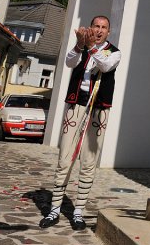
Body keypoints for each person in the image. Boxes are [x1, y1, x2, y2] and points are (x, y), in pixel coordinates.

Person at [39, 16, 121, 231]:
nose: (99, 30)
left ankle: (78, 212)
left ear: (109, 31)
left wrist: (91, 47)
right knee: (64, 157)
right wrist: (79, 44)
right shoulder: (81, 47)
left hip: (99, 108)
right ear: (90, 28)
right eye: (96, 26)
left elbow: (105, 66)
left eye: (103, 27)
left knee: (89, 161)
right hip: (76, 104)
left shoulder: (114, 52)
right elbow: (69, 62)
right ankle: (54, 209)